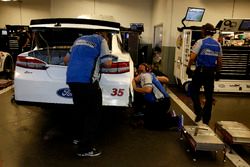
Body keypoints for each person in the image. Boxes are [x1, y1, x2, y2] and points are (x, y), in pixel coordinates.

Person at [64, 31, 113, 157]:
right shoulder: (101, 40)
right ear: (105, 35)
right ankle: (85, 149)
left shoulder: (77, 40)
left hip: (71, 80)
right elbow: (107, 63)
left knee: (80, 111)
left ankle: (78, 138)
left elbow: (66, 60)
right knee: (93, 114)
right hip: (87, 81)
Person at [186, 23, 222, 125]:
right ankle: (206, 119)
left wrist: (188, 68)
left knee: (193, 92)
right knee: (209, 96)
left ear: (204, 31)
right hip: (211, 72)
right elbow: (219, 61)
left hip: (200, 71)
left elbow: (192, 57)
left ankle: (199, 112)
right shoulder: (218, 44)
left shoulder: (200, 42)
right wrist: (218, 72)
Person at [132, 63, 182, 130]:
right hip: (160, 102)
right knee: (147, 120)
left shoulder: (146, 75)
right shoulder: (147, 75)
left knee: (152, 125)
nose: (139, 71)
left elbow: (148, 90)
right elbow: (135, 80)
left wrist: (136, 88)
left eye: (141, 69)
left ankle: (176, 121)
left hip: (160, 103)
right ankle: (169, 115)